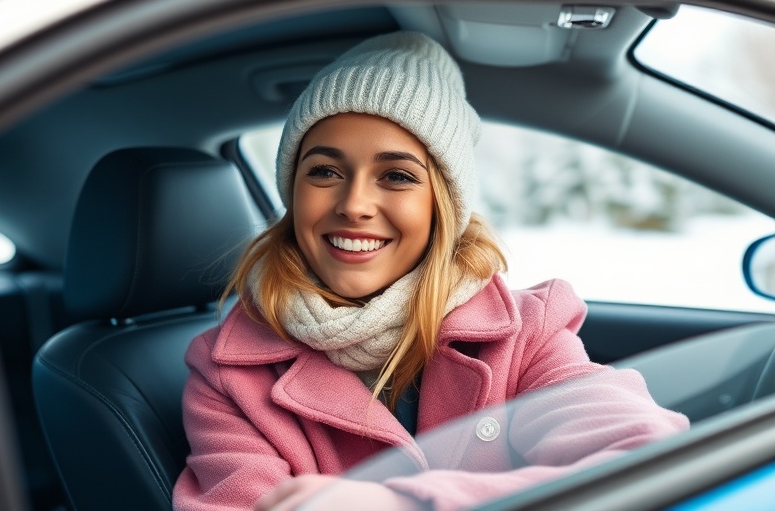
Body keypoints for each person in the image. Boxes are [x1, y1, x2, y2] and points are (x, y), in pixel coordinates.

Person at [172, 31, 688, 511]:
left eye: (396, 176)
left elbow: (645, 459)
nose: (354, 204)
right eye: (325, 171)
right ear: (294, 194)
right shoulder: (229, 373)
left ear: (442, 203)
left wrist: (405, 503)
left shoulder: (527, 332)